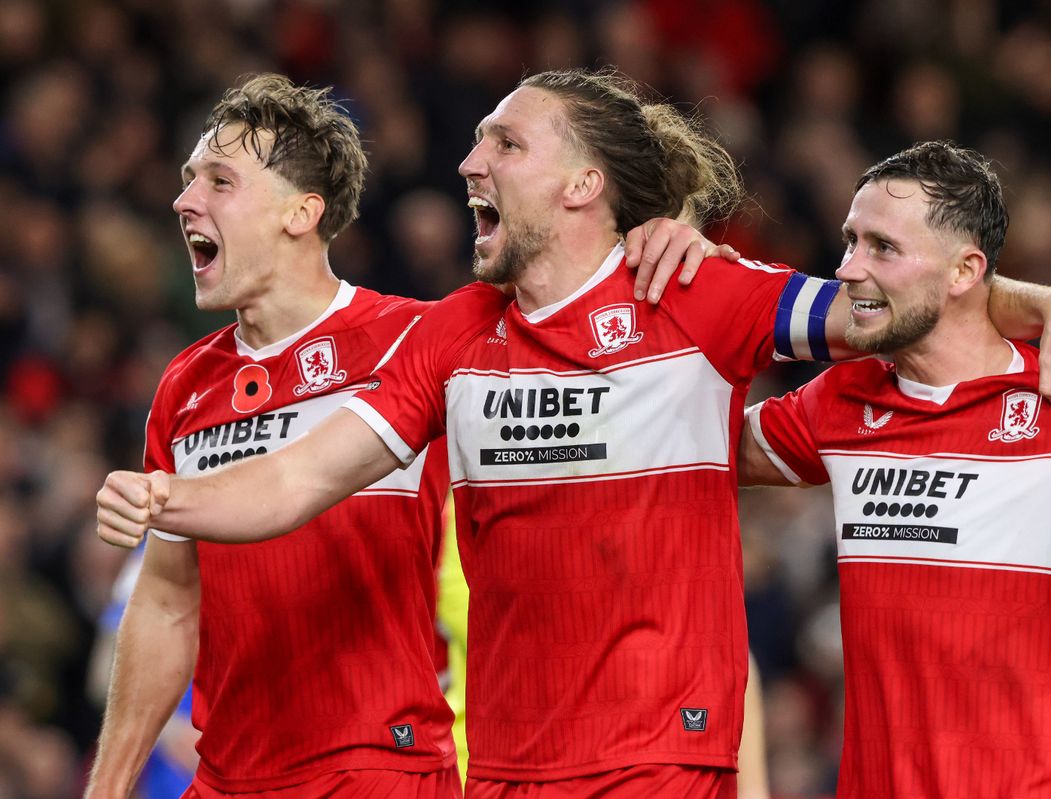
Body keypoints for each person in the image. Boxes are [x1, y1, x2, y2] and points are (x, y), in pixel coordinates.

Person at [97, 70, 1051, 797]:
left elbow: (888, 305)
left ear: (583, 184)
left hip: (657, 762)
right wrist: (161, 499)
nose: (469, 160)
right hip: (502, 765)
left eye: (504, 142)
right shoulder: (457, 333)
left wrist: (1047, 303)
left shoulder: (699, 293)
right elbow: (293, 483)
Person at [84, 72, 726, 799]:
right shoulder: (186, 386)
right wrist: (106, 787)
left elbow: (573, 293)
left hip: (383, 768)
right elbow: (168, 600)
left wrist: (657, 237)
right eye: (187, 179)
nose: (184, 200)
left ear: (301, 212)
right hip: (228, 777)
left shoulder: (419, 341)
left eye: (218, 181)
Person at [738, 140, 1051, 797]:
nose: (847, 268)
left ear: (964, 271)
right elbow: (696, 450)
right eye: (850, 241)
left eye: (882, 248)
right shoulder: (841, 399)